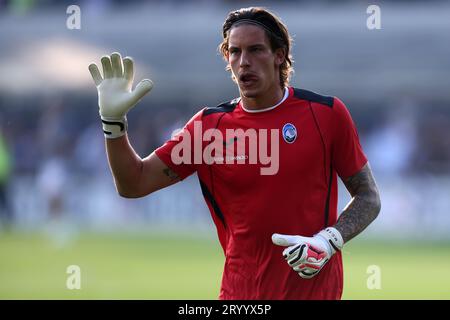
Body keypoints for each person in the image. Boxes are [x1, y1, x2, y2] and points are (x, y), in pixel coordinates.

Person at [88, 7, 381, 300]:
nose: (244, 63)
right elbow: (133, 183)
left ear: (280, 55)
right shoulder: (209, 129)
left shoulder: (326, 115)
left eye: (255, 50)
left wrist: (328, 241)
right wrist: (113, 125)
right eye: (235, 52)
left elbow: (368, 196)